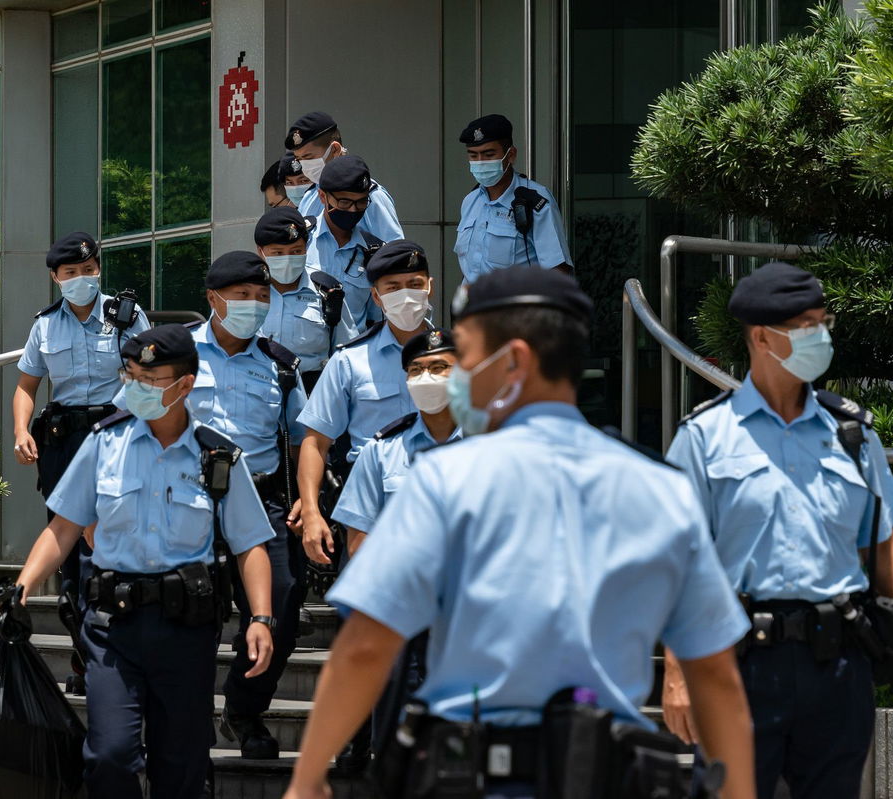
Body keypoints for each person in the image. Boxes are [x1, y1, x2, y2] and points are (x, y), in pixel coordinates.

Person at [282, 266, 756, 799]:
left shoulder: (446, 480)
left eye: (467, 356)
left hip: (470, 773)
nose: (458, 377)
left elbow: (366, 646)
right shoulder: (661, 488)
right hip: (610, 774)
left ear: (514, 362)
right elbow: (715, 674)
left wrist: (306, 779)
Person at [663, 261, 893, 799]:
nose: (822, 334)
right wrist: (676, 674)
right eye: (806, 325)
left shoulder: (853, 434)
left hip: (837, 665)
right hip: (735, 665)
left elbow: (882, 546)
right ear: (763, 337)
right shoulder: (704, 437)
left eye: (823, 320)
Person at [10, 324, 276, 799]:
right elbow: (64, 526)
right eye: (130, 375)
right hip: (114, 627)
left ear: (185, 385)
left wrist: (260, 617)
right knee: (110, 755)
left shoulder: (216, 456)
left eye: (150, 380)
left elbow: (249, 543)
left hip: (186, 630)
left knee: (182, 764)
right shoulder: (102, 443)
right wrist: (22, 587)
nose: (135, 388)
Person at [183, 250, 309, 760]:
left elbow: (304, 439)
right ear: (214, 299)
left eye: (262, 297)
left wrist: (305, 498)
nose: (254, 305)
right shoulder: (177, 354)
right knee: (188, 614)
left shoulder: (280, 367)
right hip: (187, 499)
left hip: (260, 500)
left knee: (281, 604)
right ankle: (184, 727)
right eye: (242, 297)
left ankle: (245, 708)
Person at [329, 327, 461, 771]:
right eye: (417, 370)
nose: (427, 378)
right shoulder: (381, 451)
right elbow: (359, 540)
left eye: (440, 367)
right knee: (396, 748)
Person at [12, 232, 151, 603]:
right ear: (56, 278)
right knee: (68, 538)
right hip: (65, 441)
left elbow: (150, 376)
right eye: (71, 272)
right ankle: (78, 623)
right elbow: (27, 386)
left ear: (99, 269)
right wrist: (20, 430)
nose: (81, 278)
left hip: (116, 435)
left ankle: (113, 614)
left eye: (88, 269)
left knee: (113, 528)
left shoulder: (127, 317)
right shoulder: (44, 325)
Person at [293, 240, 431, 568]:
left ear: (430, 287)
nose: (406, 295)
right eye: (393, 287)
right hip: (370, 508)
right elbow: (315, 442)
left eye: (415, 285)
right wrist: (312, 512)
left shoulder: (460, 357)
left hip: (443, 499)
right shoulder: (350, 361)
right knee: (365, 611)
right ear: (376, 296)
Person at [454, 114, 571, 282]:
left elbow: (558, 271)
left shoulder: (535, 200)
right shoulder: (471, 201)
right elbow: (471, 267)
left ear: (511, 155)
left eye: (488, 154)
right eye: (473, 155)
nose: (480, 162)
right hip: (474, 306)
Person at [255, 206, 352, 393]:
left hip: (313, 394)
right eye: (277, 253)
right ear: (261, 251)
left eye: (296, 251)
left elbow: (347, 351)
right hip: (257, 393)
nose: (288, 258)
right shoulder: (244, 292)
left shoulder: (326, 290)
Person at [284, 111, 403, 243]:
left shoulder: (370, 196)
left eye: (309, 157)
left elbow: (394, 253)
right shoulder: (309, 197)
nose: (305, 165)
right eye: (299, 159)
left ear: (334, 150)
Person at [303, 154, 386, 342]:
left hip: (352, 360)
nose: (353, 210)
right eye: (344, 202)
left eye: (361, 202)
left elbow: (377, 319)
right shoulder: (300, 242)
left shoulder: (374, 254)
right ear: (323, 197)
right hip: (306, 363)